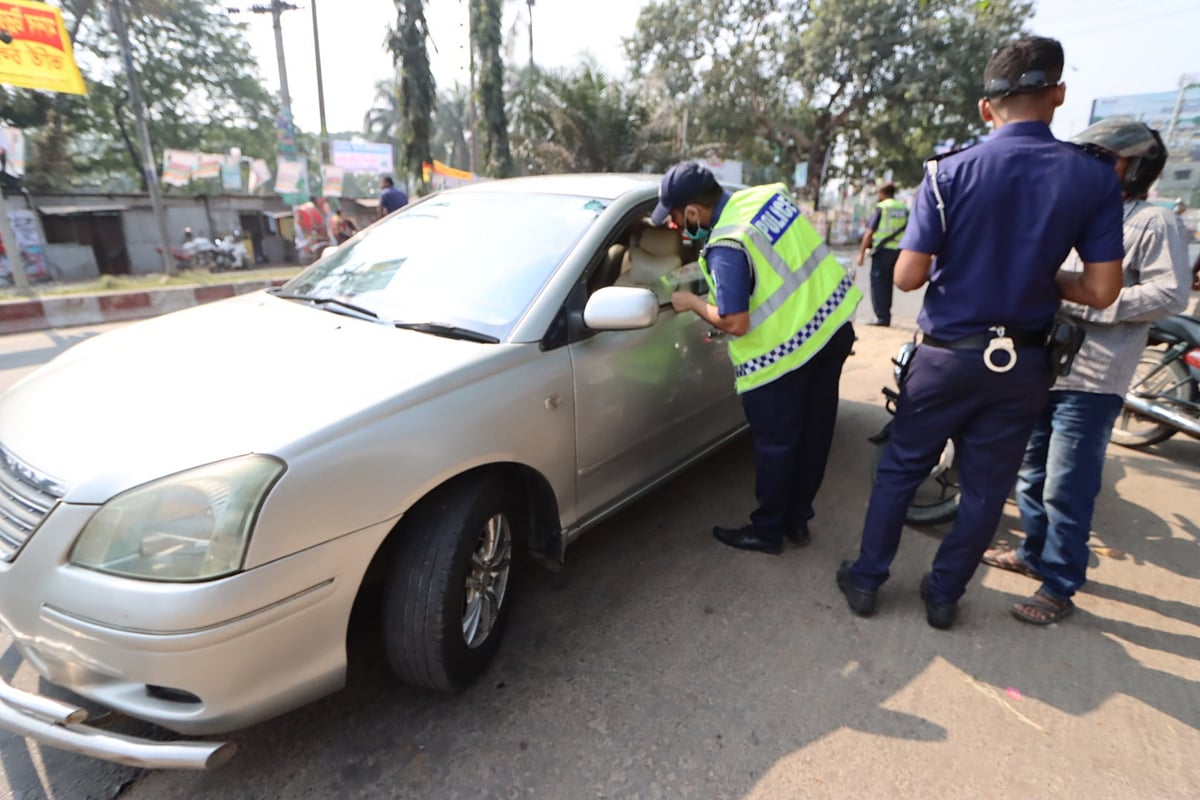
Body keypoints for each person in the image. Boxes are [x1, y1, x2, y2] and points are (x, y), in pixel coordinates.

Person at [836, 35, 1125, 629]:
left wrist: (967, 262)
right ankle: (944, 596)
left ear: (984, 107)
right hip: (1021, 365)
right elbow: (1101, 291)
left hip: (945, 358)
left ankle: (867, 580)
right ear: (1059, 94)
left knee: (901, 470)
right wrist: (1038, 275)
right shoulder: (1094, 178)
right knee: (987, 487)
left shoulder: (948, 173)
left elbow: (910, 276)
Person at [982, 120, 1190, 624]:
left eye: (1102, 159)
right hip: (1044, 367)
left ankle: (1059, 585)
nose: (1086, 168)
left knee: (1065, 487)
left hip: (1094, 378)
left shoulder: (1153, 222)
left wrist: (1093, 305)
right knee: (1030, 476)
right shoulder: (1081, 215)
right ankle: (1034, 555)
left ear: (1134, 165)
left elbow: (1170, 292)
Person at [659, 162, 861, 555]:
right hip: (832, 328)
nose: (676, 227)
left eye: (676, 218)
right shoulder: (768, 196)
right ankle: (797, 521)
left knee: (777, 446)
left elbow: (735, 321)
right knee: (815, 434)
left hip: (785, 356)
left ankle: (767, 531)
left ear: (694, 211)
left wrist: (693, 303)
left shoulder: (727, 244)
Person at [855, 183, 909, 327]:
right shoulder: (903, 208)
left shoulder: (882, 208)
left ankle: (882, 317)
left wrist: (861, 253)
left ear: (883, 193)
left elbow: (869, 232)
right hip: (898, 251)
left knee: (879, 284)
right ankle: (886, 315)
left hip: (882, 251)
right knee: (888, 283)